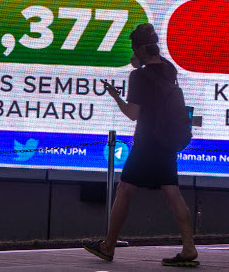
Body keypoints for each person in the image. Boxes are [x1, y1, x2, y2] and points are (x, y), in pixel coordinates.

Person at [83, 22, 199, 267]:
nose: (133, 53)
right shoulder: (169, 70)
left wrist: (116, 97)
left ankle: (108, 246)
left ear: (141, 50)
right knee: (172, 191)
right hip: (167, 143)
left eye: (135, 49)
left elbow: (133, 114)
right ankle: (189, 247)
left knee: (125, 189)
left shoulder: (139, 77)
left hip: (146, 143)